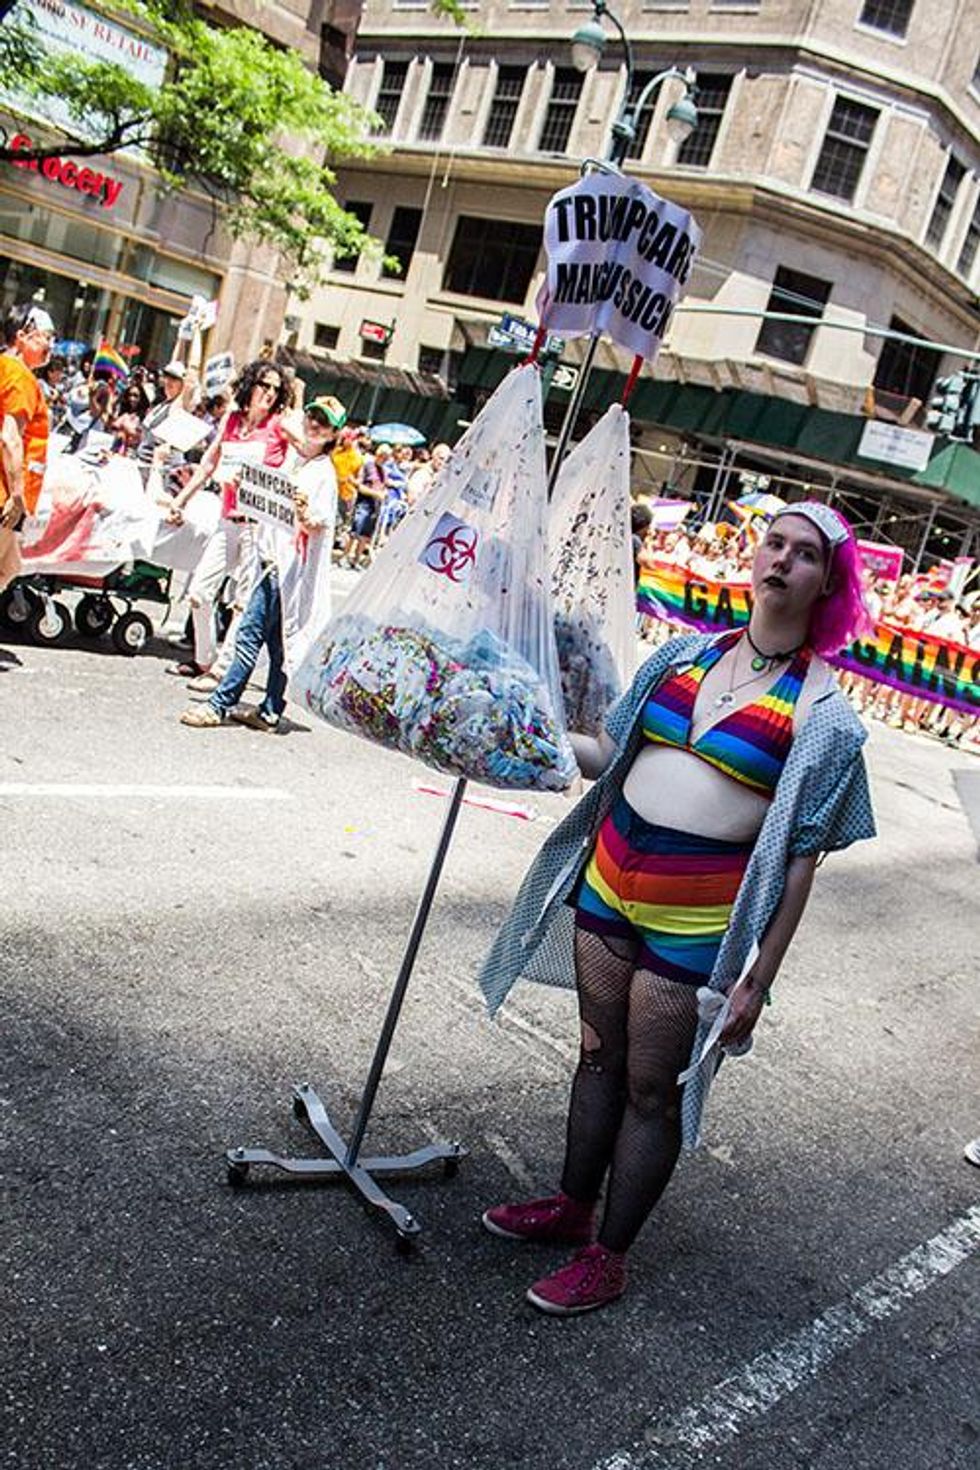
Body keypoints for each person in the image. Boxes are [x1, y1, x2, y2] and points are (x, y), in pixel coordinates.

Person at [478, 502, 876, 1316]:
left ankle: (609, 1256)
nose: (782, 560)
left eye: (805, 555)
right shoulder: (681, 656)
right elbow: (606, 754)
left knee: (652, 1088)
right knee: (597, 1057)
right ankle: (571, 1207)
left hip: (694, 922)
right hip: (606, 884)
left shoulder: (825, 716)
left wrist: (757, 980)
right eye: (774, 543)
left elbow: (801, 860)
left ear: (828, 587)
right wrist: (512, 733)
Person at [178, 395, 346, 731]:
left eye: (324, 423)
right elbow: (269, 499)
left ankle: (219, 704)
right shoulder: (295, 462)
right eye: (312, 416)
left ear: (332, 435)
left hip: (286, 569)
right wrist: (247, 487)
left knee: (249, 634)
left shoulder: (323, 473)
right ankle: (270, 710)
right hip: (272, 560)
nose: (314, 425)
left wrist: (304, 514)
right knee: (278, 643)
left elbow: (320, 522)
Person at [166, 359, 294, 678]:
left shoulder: (280, 425)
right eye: (264, 385)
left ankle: (223, 670)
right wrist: (180, 500)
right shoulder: (233, 420)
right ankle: (205, 659)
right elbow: (208, 465)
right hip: (228, 519)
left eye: (275, 389)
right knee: (199, 593)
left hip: (258, 524)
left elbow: (302, 452)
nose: (269, 393)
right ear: (250, 386)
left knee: (242, 602)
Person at [0, 302, 55, 594]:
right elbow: (10, 437)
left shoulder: (6, 367)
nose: (50, 345)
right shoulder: (20, 375)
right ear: (22, 336)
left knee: (9, 567)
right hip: (5, 494)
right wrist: (17, 495)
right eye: (46, 336)